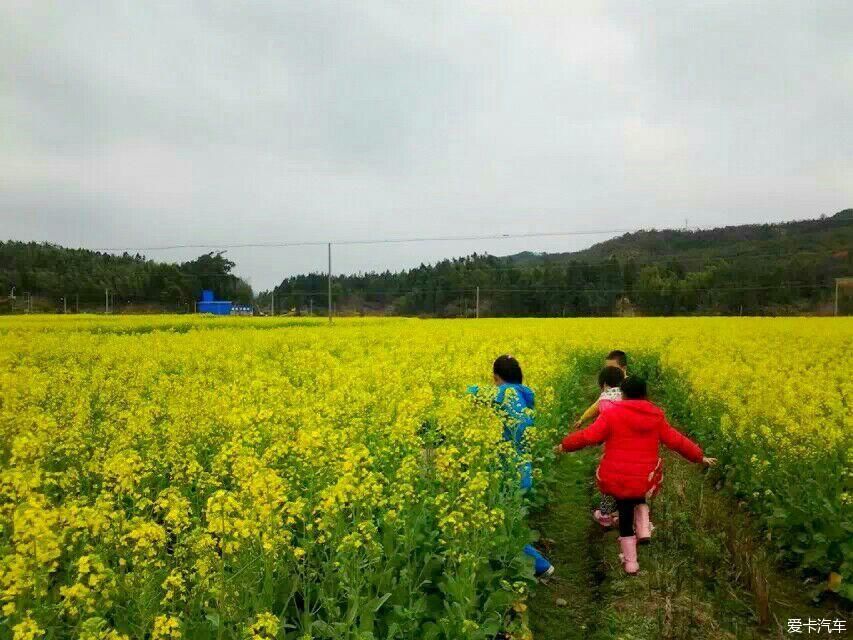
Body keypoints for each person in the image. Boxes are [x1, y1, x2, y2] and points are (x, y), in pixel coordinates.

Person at [555, 376, 716, 575]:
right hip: (645, 476)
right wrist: (700, 457)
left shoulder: (612, 413)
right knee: (639, 490)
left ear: (623, 394)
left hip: (616, 476)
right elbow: (677, 441)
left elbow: (590, 436)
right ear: (646, 394)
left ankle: (631, 563)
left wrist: (565, 444)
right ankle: (643, 528)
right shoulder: (656, 416)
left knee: (624, 512)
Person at [469, 355, 554, 578]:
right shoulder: (525, 395)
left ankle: (540, 567)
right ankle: (523, 566)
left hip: (508, 472)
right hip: (523, 469)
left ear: (496, 377)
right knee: (508, 523)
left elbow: (472, 393)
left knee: (501, 525)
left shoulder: (503, 394)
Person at [589, 365, 625, 528]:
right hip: (630, 445)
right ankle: (620, 514)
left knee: (608, 480)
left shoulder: (605, 399)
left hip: (612, 447)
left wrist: (596, 439)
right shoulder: (628, 396)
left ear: (603, 384)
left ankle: (605, 515)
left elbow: (602, 423)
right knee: (626, 481)